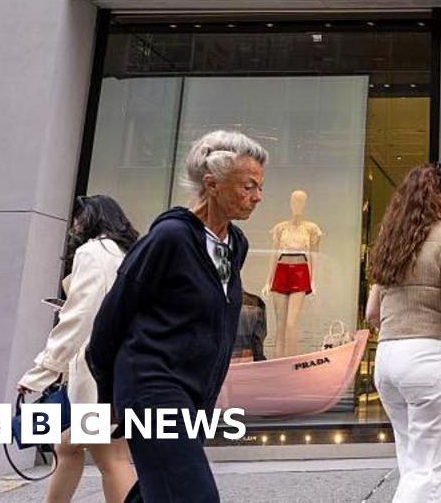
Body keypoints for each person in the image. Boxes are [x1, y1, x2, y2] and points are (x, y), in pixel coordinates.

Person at [87, 130, 268, 502]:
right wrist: (110, 399)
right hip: (150, 385)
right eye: (248, 186)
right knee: (191, 495)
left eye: (259, 187)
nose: (257, 197)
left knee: (163, 490)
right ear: (212, 183)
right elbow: (110, 321)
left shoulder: (235, 246)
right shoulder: (169, 237)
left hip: (192, 394)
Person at [364, 163, 441, 503]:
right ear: (438, 197)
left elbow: (372, 313)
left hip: (388, 361)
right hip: (429, 359)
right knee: (433, 468)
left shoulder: (393, 242)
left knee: (416, 463)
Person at [16, 195, 139, 503]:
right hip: (123, 368)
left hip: (100, 374)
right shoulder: (129, 253)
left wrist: (41, 372)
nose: (73, 227)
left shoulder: (94, 252)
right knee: (68, 447)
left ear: (91, 219)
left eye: (77, 219)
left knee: (112, 459)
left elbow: (79, 316)